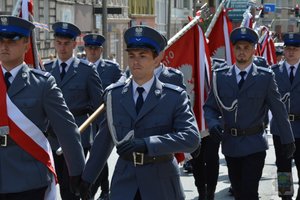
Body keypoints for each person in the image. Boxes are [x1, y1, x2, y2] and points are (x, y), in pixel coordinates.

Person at [79, 25, 201, 200]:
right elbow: (104, 140)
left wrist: (147, 144)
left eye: (142, 56)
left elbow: (191, 138)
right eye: (132, 56)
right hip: (125, 182)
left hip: (161, 181)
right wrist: (87, 178)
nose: (136, 61)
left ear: (157, 59)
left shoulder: (173, 96)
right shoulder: (114, 95)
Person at [203, 27, 295, 200]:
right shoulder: (221, 77)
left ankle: (287, 197)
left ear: (254, 49)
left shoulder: (265, 76)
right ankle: (286, 194)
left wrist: (287, 138)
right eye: (238, 47)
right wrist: (213, 123)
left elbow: (278, 109)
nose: (242, 52)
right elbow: (210, 107)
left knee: (249, 192)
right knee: (240, 191)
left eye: (246, 47)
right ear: (233, 49)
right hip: (232, 144)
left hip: (256, 144)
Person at [0, 16, 85, 199]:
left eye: (11, 40)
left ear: (26, 45)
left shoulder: (43, 84)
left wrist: (78, 173)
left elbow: (67, 131)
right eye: (0, 40)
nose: (4, 46)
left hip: (28, 178)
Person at [44, 22, 103, 200]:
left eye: (66, 43)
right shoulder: (45, 70)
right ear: (54, 43)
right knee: (50, 185)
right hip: (51, 138)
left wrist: (100, 140)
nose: (62, 47)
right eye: (59, 43)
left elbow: (99, 107)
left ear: (74, 44)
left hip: (78, 135)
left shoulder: (87, 70)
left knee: (72, 188)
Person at [83, 33, 123, 200]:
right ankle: (85, 187)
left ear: (101, 50)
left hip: (102, 120)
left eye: (96, 49)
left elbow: (122, 83)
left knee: (99, 155)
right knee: (81, 157)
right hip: (83, 120)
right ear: (85, 49)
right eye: (89, 48)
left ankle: (101, 190)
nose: (92, 52)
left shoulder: (111, 68)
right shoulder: (79, 68)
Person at [270, 33, 300, 200]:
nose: (291, 52)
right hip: (281, 128)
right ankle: (285, 197)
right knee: (283, 168)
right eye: (288, 48)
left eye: (295, 49)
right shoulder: (273, 72)